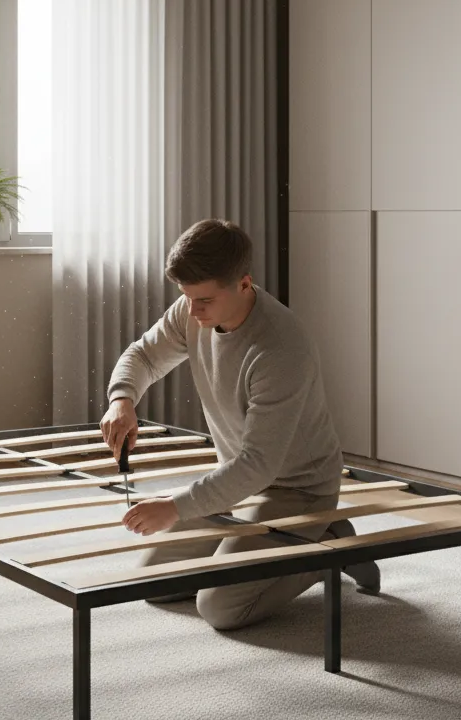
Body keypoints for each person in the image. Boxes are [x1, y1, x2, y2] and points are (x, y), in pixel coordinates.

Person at [99, 218, 378, 631]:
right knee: (153, 582)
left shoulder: (280, 349)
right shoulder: (192, 309)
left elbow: (257, 465)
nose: (192, 311)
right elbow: (142, 356)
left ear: (244, 284)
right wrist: (122, 400)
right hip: (239, 483)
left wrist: (174, 507)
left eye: (204, 300)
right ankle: (261, 544)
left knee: (220, 607)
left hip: (298, 489)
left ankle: (330, 543)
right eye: (186, 297)